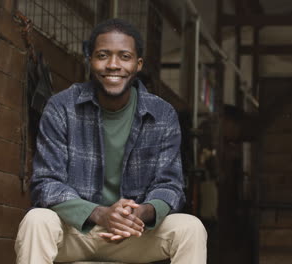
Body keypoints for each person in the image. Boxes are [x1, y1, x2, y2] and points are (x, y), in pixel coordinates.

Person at [15, 18, 207, 264]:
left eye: (124, 57)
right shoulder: (62, 107)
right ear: (90, 60)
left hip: (133, 233)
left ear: (138, 65)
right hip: (76, 232)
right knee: (36, 220)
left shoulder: (162, 114)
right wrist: (99, 214)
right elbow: (46, 183)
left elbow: (170, 185)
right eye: (103, 55)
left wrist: (141, 212)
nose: (113, 65)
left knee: (190, 227)